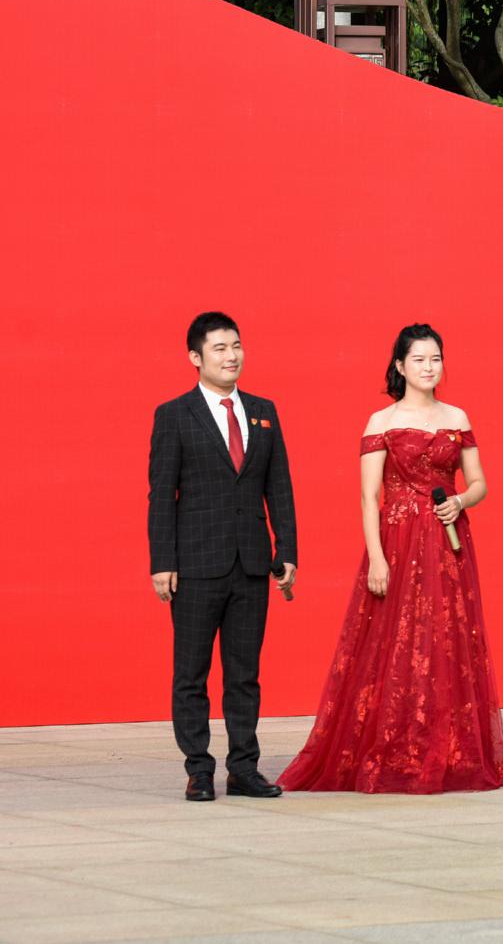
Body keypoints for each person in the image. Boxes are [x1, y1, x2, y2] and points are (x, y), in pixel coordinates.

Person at [278, 323, 503, 792]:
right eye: (419, 360)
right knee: (396, 643)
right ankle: (394, 744)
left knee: (446, 641)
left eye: (436, 359)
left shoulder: (457, 417)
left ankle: (447, 748)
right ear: (400, 366)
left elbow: (480, 484)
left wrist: (460, 501)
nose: (429, 367)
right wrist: (377, 557)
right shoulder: (381, 422)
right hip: (398, 543)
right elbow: (369, 498)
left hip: (448, 544)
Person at [147, 311, 297, 802]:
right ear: (195, 357)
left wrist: (286, 549)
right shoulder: (174, 414)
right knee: (190, 674)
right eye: (219, 348)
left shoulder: (263, 411)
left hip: (251, 563)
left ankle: (243, 768)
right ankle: (198, 769)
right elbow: (161, 493)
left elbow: (279, 487)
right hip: (195, 565)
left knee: (244, 674)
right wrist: (162, 562)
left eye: (236, 346)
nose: (231, 356)